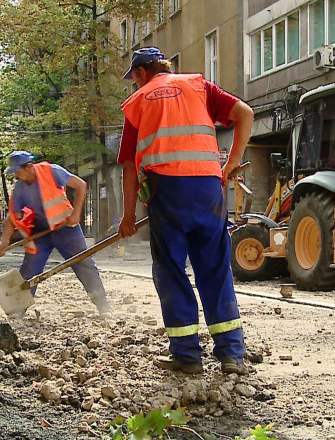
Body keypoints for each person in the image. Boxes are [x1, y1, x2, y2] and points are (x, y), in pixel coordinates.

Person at [117, 47, 254, 375]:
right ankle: (232, 354)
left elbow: (129, 167)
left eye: (133, 78)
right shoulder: (199, 86)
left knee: (171, 269)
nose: (134, 83)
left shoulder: (138, 101)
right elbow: (245, 113)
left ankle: (187, 356)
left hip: (167, 192)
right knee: (215, 268)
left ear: (141, 72)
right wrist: (231, 163)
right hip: (208, 189)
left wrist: (128, 216)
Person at [0, 150, 112, 317]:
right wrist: (4, 242)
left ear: (28, 167)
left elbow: (81, 185)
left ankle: (103, 306)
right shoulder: (19, 188)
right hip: (41, 231)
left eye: (17, 171)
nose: (16, 176)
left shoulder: (53, 171)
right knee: (29, 270)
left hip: (66, 228)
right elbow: (12, 217)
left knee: (84, 264)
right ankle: (18, 310)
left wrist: (76, 213)